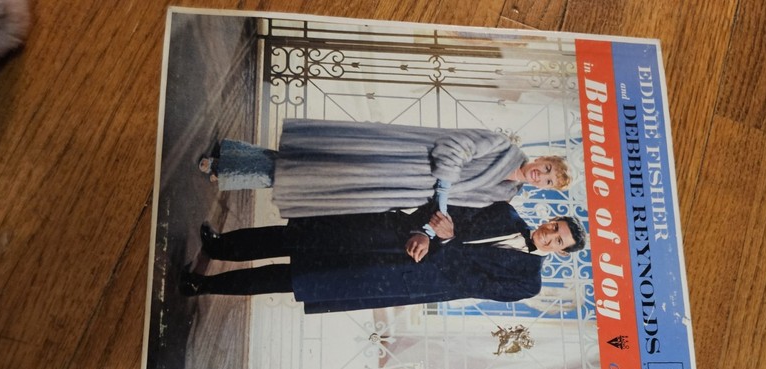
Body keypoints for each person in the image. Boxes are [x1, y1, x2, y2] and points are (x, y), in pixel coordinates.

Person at [178, 202, 586, 314]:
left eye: (558, 241)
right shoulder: (505, 213)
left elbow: (469, 282)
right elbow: (444, 207)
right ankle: (220, 247)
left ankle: (203, 285)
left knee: (294, 278)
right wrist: (426, 230)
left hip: (399, 275)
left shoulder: (527, 282)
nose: (550, 235)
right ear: (549, 219)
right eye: (554, 227)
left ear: (561, 252)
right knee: (297, 237)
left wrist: (445, 241)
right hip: (394, 237)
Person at [198, 120, 571, 218]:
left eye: (549, 182)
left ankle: (230, 158)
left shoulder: (505, 194)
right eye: (547, 168)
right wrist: (444, 186)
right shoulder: (503, 147)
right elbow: (454, 146)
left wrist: (437, 210)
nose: (541, 176)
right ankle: (225, 167)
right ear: (543, 158)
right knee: (306, 169)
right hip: (394, 158)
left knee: (306, 176)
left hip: (394, 189)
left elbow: (456, 205)